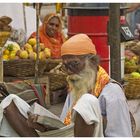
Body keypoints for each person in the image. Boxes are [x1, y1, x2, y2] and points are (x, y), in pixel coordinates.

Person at [0, 34, 133, 137]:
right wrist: (44, 125)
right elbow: (64, 124)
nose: (69, 71)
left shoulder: (112, 92)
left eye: (74, 64)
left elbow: (121, 135)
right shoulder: (76, 86)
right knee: (10, 102)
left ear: (92, 62)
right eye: (65, 66)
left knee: (87, 101)